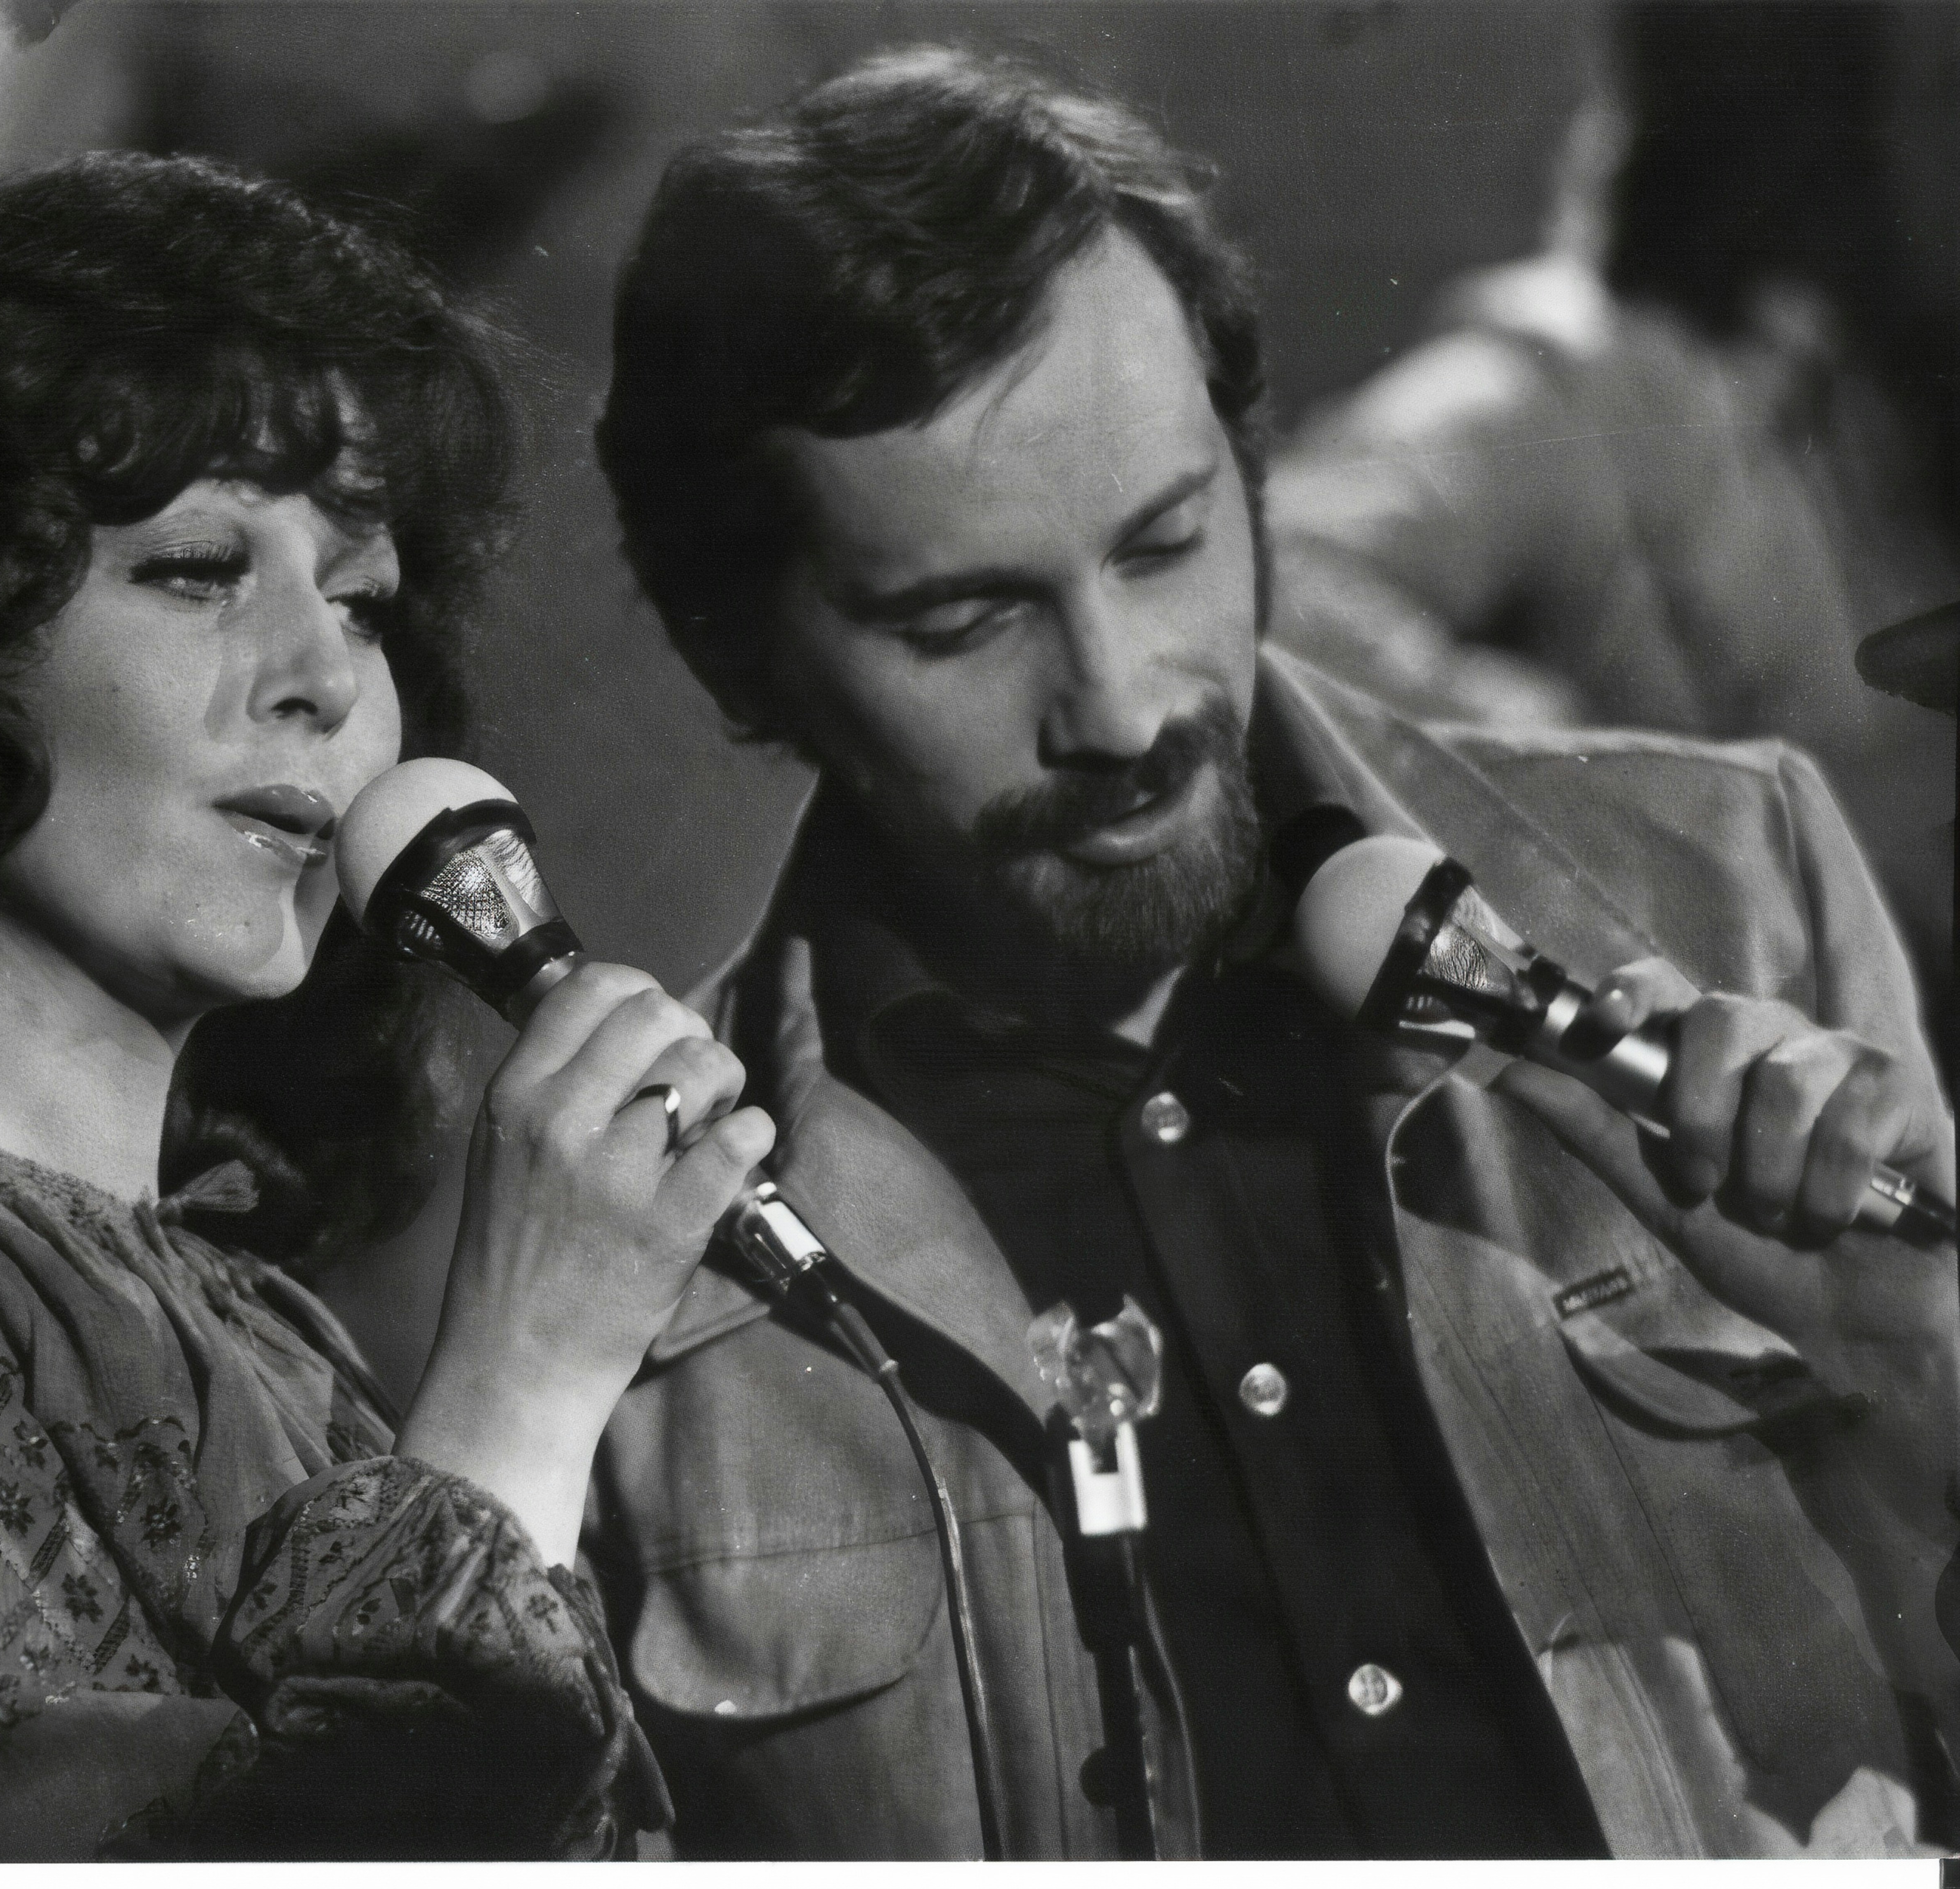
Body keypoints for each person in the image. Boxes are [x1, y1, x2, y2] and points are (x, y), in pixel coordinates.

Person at [588, 47, 1959, 1859]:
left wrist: (1937, 1371)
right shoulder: (635, 1255)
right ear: (736, 656)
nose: (1126, 704)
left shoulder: (1730, 877)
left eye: (1167, 545)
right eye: (965, 620)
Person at [0, 152, 774, 1861]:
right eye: (195, 567)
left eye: (365, 593)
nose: (327, 674)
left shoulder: (265, 1326)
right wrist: (522, 1397)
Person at [1266, 1, 1957, 1067]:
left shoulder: (1883, 388)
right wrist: (1633, 794)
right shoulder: (1580, 382)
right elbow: (1272, 576)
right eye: (1946, 96)